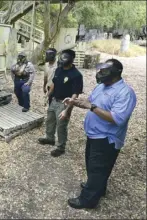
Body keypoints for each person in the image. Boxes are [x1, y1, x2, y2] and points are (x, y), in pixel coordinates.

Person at [64, 59, 137, 209]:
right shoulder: (101, 87)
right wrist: (74, 101)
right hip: (93, 134)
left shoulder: (125, 93)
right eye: (100, 70)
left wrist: (92, 107)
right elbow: (89, 102)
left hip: (107, 138)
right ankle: (98, 187)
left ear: (116, 73)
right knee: (93, 166)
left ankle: (87, 200)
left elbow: (117, 119)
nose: (99, 73)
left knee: (98, 168)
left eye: (104, 71)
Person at [38, 49, 83, 157]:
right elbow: (54, 83)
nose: (62, 59)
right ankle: (50, 138)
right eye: (61, 57)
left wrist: (67, 110)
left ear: (71, 60)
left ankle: (60, 147)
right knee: (50, 120)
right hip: (54, 100)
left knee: (61, 126)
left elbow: (75, 95)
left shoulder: (76, 75)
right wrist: (48, 95)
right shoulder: (59, 70)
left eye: (65, 58)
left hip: (65, 103)